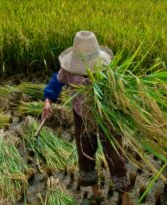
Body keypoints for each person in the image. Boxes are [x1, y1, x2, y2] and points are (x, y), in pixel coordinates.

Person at [42, 31, 131, 205]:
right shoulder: (68, 70)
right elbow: (56, 82)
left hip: (106, 115)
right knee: (85, 152)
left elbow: (120, 90)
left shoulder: (106, 70)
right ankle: (96, 193)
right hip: (81, 115)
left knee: (114, 154)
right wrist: (47, 101)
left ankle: (125, 197)